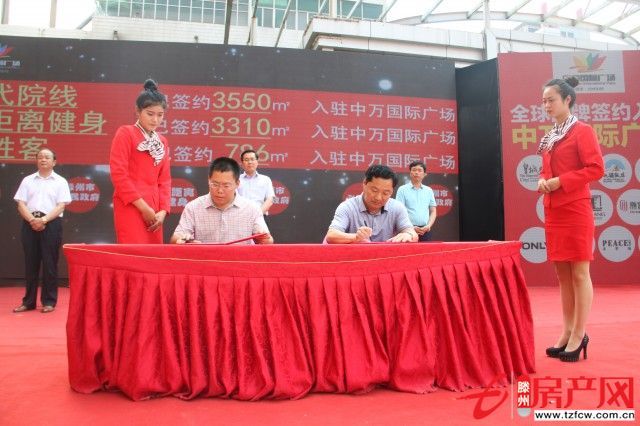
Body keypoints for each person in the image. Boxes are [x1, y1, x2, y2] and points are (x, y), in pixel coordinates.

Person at [538, 77, 604, 363]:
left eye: (551, 100)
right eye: (544, 101)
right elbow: (546, 169)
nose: (546, 105)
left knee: (579, 273)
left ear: (567, 100)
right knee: (562, 274)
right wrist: (543, 180)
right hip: (554, 210)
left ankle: (579, 333)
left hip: (576, 209)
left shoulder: (583, 131)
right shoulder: (550, 136)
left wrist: (560, 181)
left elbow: (596, 168)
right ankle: (566, 331)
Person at [109, 79, 171, 243]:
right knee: (133, 251)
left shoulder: (162, 141)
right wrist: (143, 208)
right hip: (131, 205)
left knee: (153, 254)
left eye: (160, 115)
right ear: (138, 111)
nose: (155, 120)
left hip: (155, 209)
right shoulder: (126, 133)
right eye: (150, 114)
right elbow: (119, 175)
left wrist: (163, 211)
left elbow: (164, 180)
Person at [13, 148, 72, 313]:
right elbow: (21, 204)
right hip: (29, 223)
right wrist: (32, 220)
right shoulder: (27, 180)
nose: (43, 160)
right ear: (36, 161)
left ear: (54, 162)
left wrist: (44, 220)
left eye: (47, 157)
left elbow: (61, 205)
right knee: (30, 263)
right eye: (40, 157)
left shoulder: (60, 181)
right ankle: (28, 302)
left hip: (51, 224)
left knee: (50, 263)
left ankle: (49, 301)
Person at [171, 157, 273, 245]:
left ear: (237, 184)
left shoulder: (252, 209)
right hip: (206, 260)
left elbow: (268, 241)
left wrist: (263, 239)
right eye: (215, 184)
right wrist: (183, 240)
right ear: (208, 180)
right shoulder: (193, 207)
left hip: (239, 261)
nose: (220, 190)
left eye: (226, 185)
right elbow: (176, 238)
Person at [325, 164, 418, 244]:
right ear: (364, 183)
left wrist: (408, 234)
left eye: (385, 193)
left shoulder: (397, 207)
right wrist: (356, 237)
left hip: (387, 257)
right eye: (374, 190)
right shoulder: (348, 207)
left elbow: (413, 234)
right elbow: (331, 235)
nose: (378, 197)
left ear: (392, 191)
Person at [395, 161, 437, 242]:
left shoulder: (429, 190)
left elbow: (433, 211)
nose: (416, 172)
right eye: (414, 170)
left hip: (425, 230)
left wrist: (428, 226)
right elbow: (398, 211)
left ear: (425, 174)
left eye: (419, 170)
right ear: (410, 173)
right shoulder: (402, 189)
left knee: (425, 250)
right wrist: (410, 227)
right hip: (407, 230)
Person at [237, 149, 275, 215]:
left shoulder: (265, 179)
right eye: (246, 160)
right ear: (242, 163)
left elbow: (270, 199)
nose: (250, 162)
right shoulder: (236, 179)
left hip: (260, 215)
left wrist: (258, 214)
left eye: (252, 159)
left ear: (257, 162)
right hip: (240, 215)